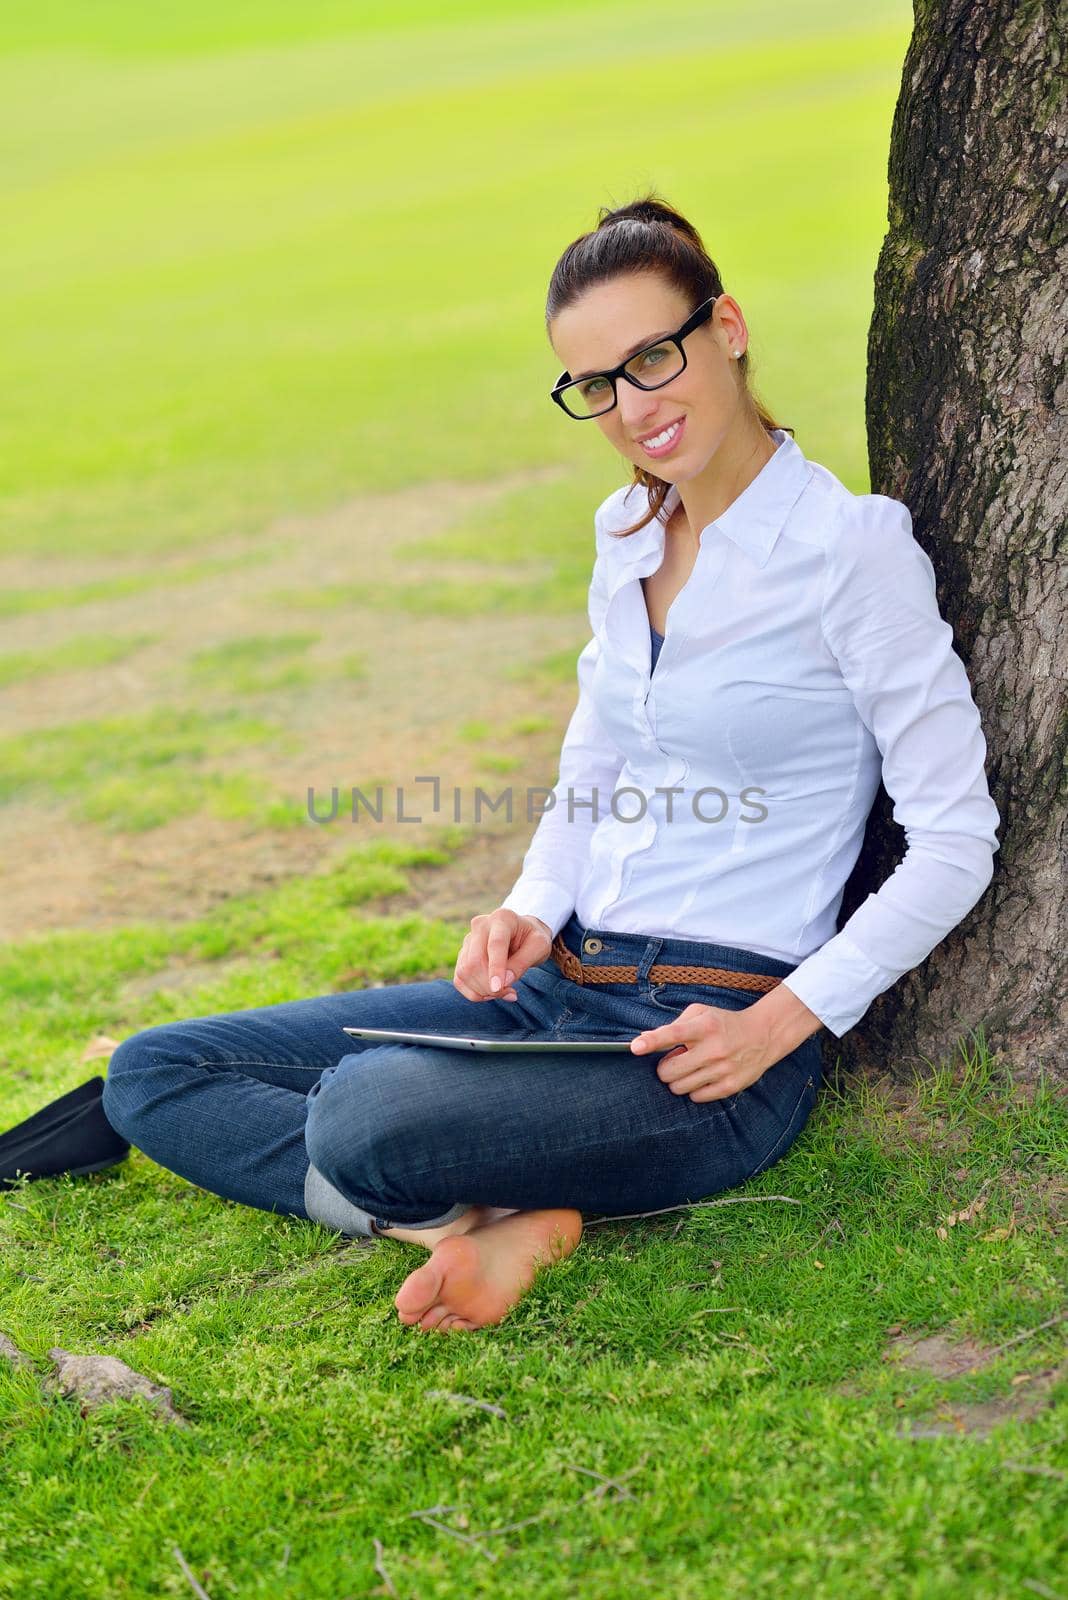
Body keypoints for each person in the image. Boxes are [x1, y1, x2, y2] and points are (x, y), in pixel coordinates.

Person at [0, 194, 1000, 1334]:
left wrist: (781, 1021)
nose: (634, 405)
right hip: (558, 986)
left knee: (365, 1115)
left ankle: (456, 1180)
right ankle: (463, 1226)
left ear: (726, 326)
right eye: (596, 384)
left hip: (705, 1045)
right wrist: (532, 903)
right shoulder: (624, 533)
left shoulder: (850, 550)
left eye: (652, 356)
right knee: (153, 1071)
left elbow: (956, 836)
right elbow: (598, 751)